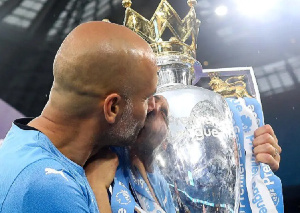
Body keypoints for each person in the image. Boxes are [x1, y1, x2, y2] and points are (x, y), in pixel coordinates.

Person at [0, 21, 158, 213]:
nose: (152, 107)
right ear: (113, 108)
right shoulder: (50, 188)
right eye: (146, 98)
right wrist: (97, 189)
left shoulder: (24, 142)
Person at [111, 95, 175, 213]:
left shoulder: (162, 183)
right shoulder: (111, 161)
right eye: (151, 100)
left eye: (164, 112)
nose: (154, 107)